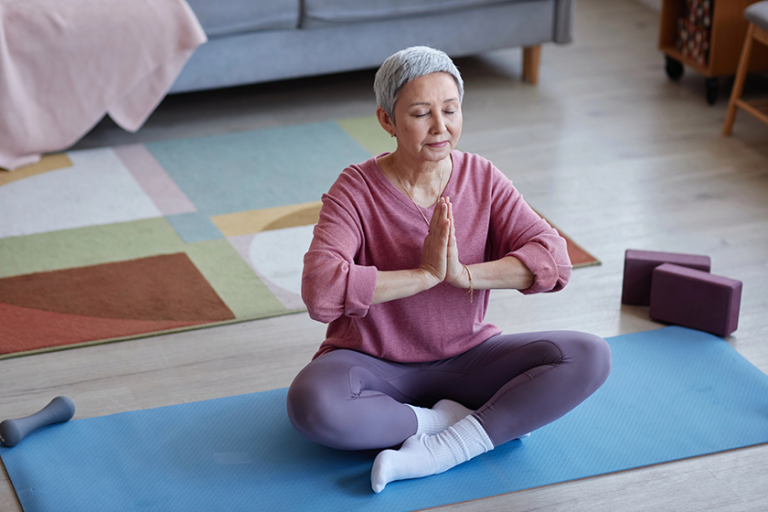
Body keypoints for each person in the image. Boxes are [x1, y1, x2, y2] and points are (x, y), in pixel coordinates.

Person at [286, 46, 611, 494]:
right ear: (387, 120)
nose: (441, 127)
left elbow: (554, 261)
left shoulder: (482, 177)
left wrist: (465, 275)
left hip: (467, 358)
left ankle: (451, 446)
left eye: (451, 110)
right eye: (421, 113)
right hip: (372, 362)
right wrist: (422, 275)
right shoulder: (355, 189)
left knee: (589, 356)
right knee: (312, 404)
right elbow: (319, 293)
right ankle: (445, 420)